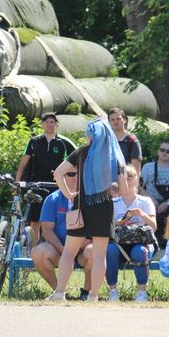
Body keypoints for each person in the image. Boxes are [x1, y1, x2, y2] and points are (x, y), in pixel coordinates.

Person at [48, 118, 125, 301]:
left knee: (68, 252)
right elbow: (124, 190)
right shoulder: (113, 155)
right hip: (104, 209)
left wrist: (68, 194)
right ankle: (93, 295)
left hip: (81, 208)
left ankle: (59, 292)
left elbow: (58, 173)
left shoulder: (81, 153)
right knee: (99, 256)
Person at [15, 112, 76, 243]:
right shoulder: (34, 141)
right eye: (47, 122)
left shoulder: (64, 142)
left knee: (52, 222)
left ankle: (53, 250)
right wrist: (17, 184)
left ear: (56, 125)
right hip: (36, 185)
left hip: (56, 186)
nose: (49, 125)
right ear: (42, 124)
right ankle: (33, 253)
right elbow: (22, 164)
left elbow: (77, 160)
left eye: (52, 122)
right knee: (35, 222)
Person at [30, 186, 95, 300]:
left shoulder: (91, 197)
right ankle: (59, 292)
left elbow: (96, 231)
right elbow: (47, 231)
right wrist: (65, 250)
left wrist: (76, 248)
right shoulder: (52, 199)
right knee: (38, 253)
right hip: (59, 249)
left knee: (95, 252)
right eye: (69, 174)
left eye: (76, 174)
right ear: (61, 177)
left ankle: (86, 293)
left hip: (82, 250)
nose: (74, 177)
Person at [106, 165, 157, 302]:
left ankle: (142, 292)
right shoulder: (113, 202)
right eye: (123, 179)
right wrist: (117, 223)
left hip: (141, 242)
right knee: (109, 250)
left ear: (137, 180)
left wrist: (142, 215)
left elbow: (154, 227)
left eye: (130, 178)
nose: (126, 182)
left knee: (139, 252)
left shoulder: (145, 201)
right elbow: (105, 227)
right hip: (120, 242)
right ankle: (112, 291)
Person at [140, 141, 169, 229]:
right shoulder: (147, 167)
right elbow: (139, 187)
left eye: (168, 151)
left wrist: (167, 203)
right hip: (151, 199)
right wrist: (151, 200)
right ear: (158, 152)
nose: (165, 152)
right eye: (162, 150)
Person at [108, 107, 142, 172]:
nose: (115, 122)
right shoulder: (107, 140)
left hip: (126, 180)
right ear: (109, 122)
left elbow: (136, 171)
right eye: (112, 119)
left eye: (118, 119)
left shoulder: (132, 141)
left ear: (125, 120)